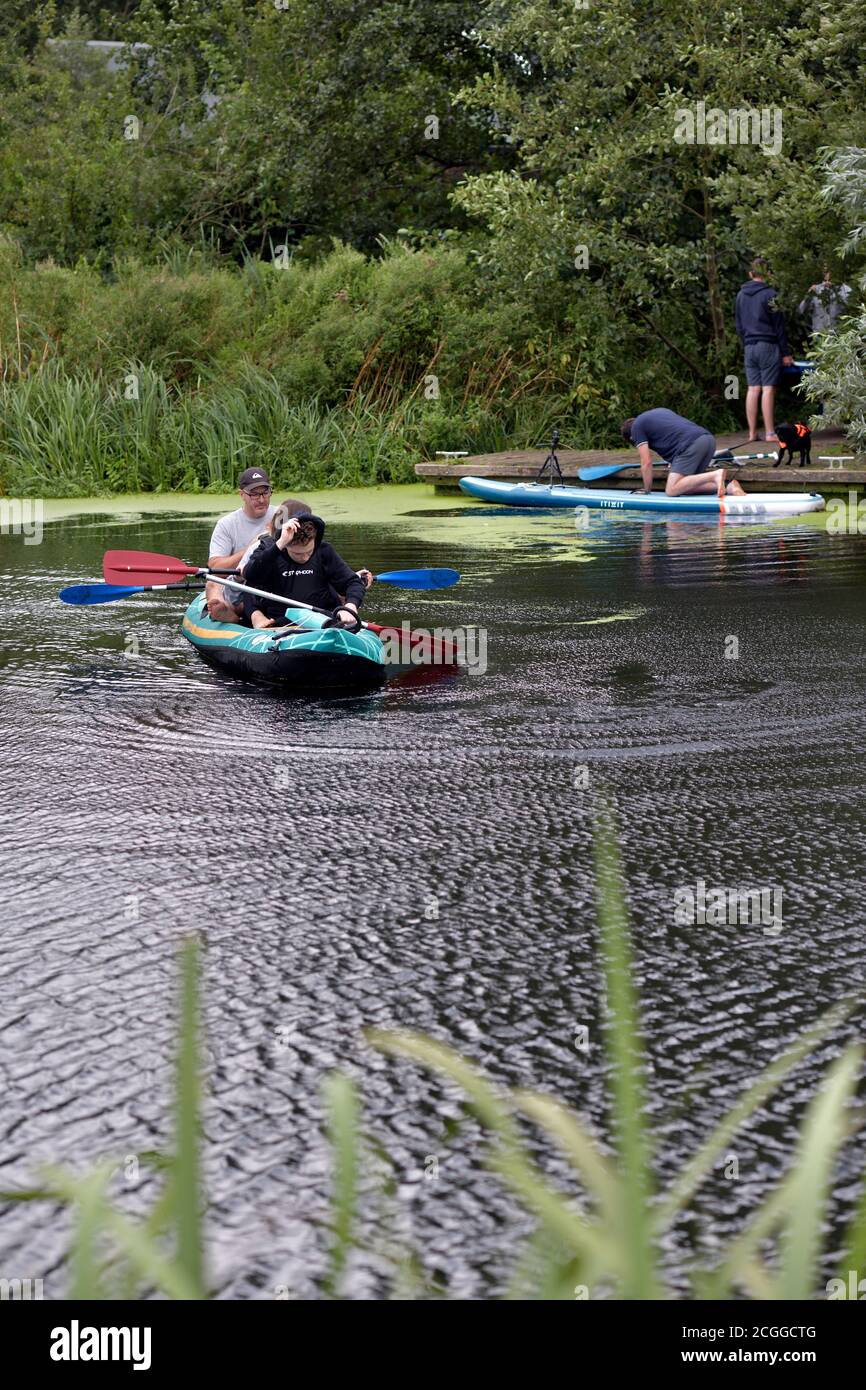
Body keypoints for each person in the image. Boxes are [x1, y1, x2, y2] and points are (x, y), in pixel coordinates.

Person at [243, 505, 369, 630]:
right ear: (286, 545)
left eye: (309, 552)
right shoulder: (270, 549)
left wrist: (350, 606)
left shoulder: (324, 550)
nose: (304, 558)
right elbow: (250, 576)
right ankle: (257, 618)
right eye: (297, 553)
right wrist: (280, 543)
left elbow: (353, 582)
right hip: (279, 624)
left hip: (325, 621)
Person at [620, 409, 746, 499]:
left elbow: (646, 462)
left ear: (631, 437)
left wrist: (647, 490)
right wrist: (674, 462)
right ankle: (729, 486)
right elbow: (674, 433)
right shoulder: (659, 413)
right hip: (707, 440)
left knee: (671, 490)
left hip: (691, 445)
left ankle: (715, 475)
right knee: (684, 486)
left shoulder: (636, 428)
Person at [205, 467, 277, 621]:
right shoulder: (227, 524)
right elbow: (215, 569)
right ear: (242, 495)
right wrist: (252, 548)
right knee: (213, 583)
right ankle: (228, 612)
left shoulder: (281, 515)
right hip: (240, 583)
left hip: (274, 581)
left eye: (265, 492)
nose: (261, 499)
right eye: (254, 494)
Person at [735, 258, 794, 445]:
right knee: (768, 389)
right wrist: (785, 353)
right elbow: (779, 327)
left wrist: (745, 344)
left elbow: (738, 325)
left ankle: (752, 433)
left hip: (749, 345)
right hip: (767, 344)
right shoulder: (771, 294)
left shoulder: (740, 295)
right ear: (766, 273)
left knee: (753, 388)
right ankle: (769, 433)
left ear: (750, 274)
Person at [798, 270, 852, 336]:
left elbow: (852, 309)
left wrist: (836, 292)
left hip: (839, 335)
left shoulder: (845, 289)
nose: (828, 274)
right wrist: (808, 295)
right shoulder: (816, 289)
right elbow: (801, 310)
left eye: (830, 270)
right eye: (825, 271)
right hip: (820, 335)